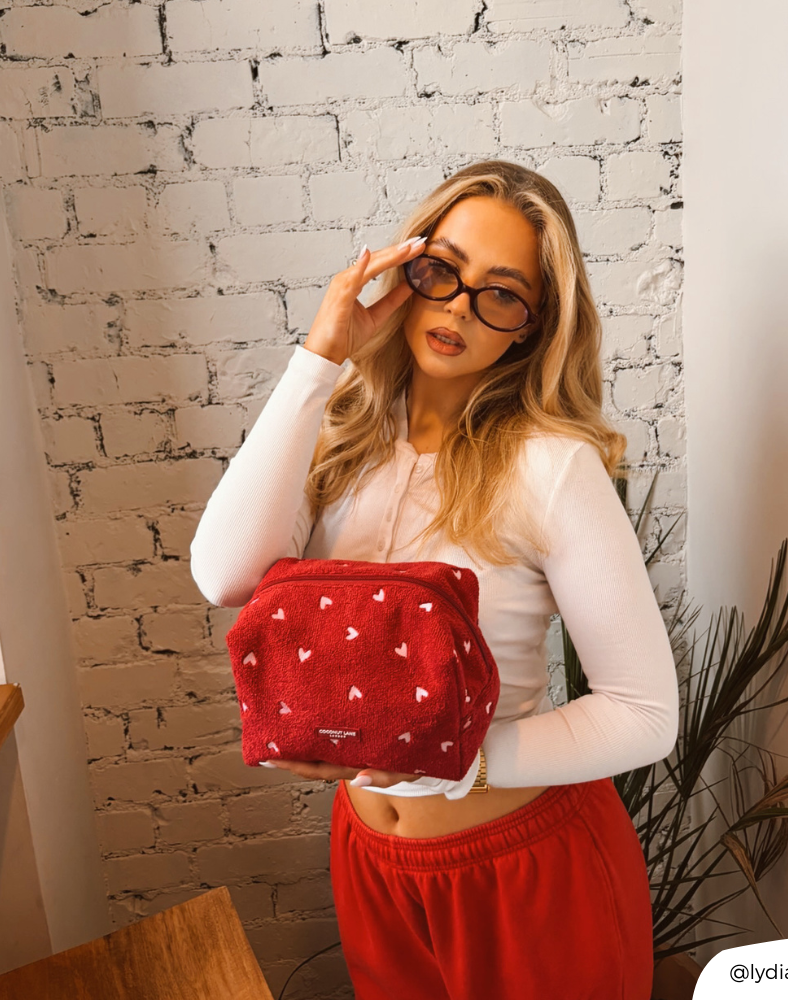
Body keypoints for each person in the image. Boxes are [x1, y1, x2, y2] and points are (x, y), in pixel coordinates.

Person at [190, 160, 680, 1000]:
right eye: (441, 269)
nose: (457, 304)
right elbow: (223, 575)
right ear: (402, 271)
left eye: (500, 292)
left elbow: (645, 716)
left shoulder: (551, 468)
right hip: (371, 861)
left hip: (527, 870)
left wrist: (458, 765)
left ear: (529, 326)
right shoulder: (339, 438)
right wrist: (321, 357)